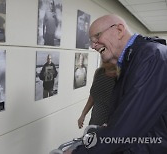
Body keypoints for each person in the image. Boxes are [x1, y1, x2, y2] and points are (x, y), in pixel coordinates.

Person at [65, 14, 167, 154]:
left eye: (97, 36)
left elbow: (127, 127)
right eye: (91, 40)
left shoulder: (150, 56)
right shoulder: (133, 61)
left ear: (119, 30)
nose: (93, 45)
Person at [78, 62, 116, 128]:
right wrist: (83, 114)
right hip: (95, 120)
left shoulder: (121, 76)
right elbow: (92, 97)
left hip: (111, 123)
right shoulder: (99, 72)